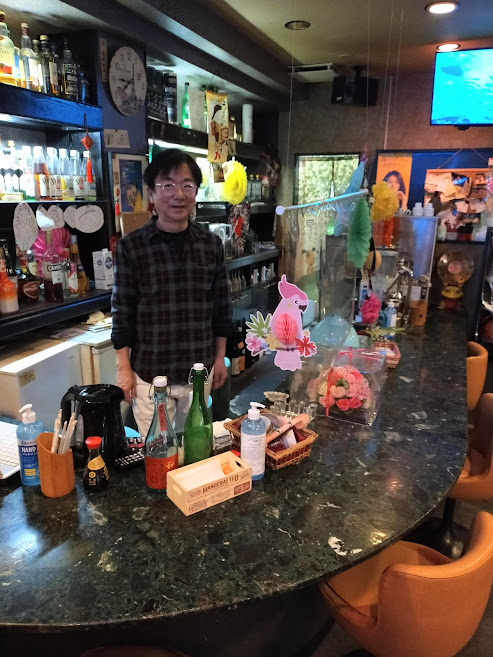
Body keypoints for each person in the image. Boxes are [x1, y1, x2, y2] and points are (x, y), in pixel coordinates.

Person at [111, 149, 232, 437]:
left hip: (198, 372)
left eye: (187, 185)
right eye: (168, 185)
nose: (179, 194)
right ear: (152, 194)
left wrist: (220, 357)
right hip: (151, 374)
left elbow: (221, 307)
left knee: (196, 445)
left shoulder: (211, 245)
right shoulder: (132, 247)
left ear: (195, 193)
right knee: (157, 449)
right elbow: (122, 311)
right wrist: (123, 368)